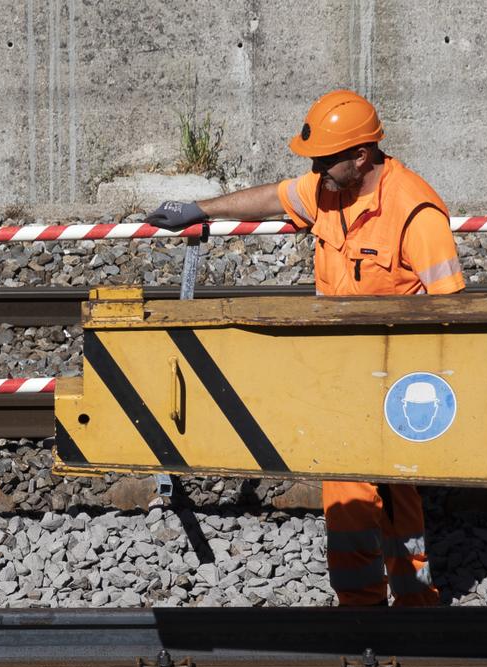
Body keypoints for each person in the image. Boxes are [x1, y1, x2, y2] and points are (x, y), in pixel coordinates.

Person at [143, 90, 463, 608]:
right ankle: (411, 607)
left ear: (361, 155)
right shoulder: (332, 191)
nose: (315, 169)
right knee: (387, 492)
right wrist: (201, 209)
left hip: (399, 380)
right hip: (343, 375)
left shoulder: (415, 211)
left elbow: (453, 313)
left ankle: (368, 611)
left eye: (323, 159)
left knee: (356, 494)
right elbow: (275, 197)